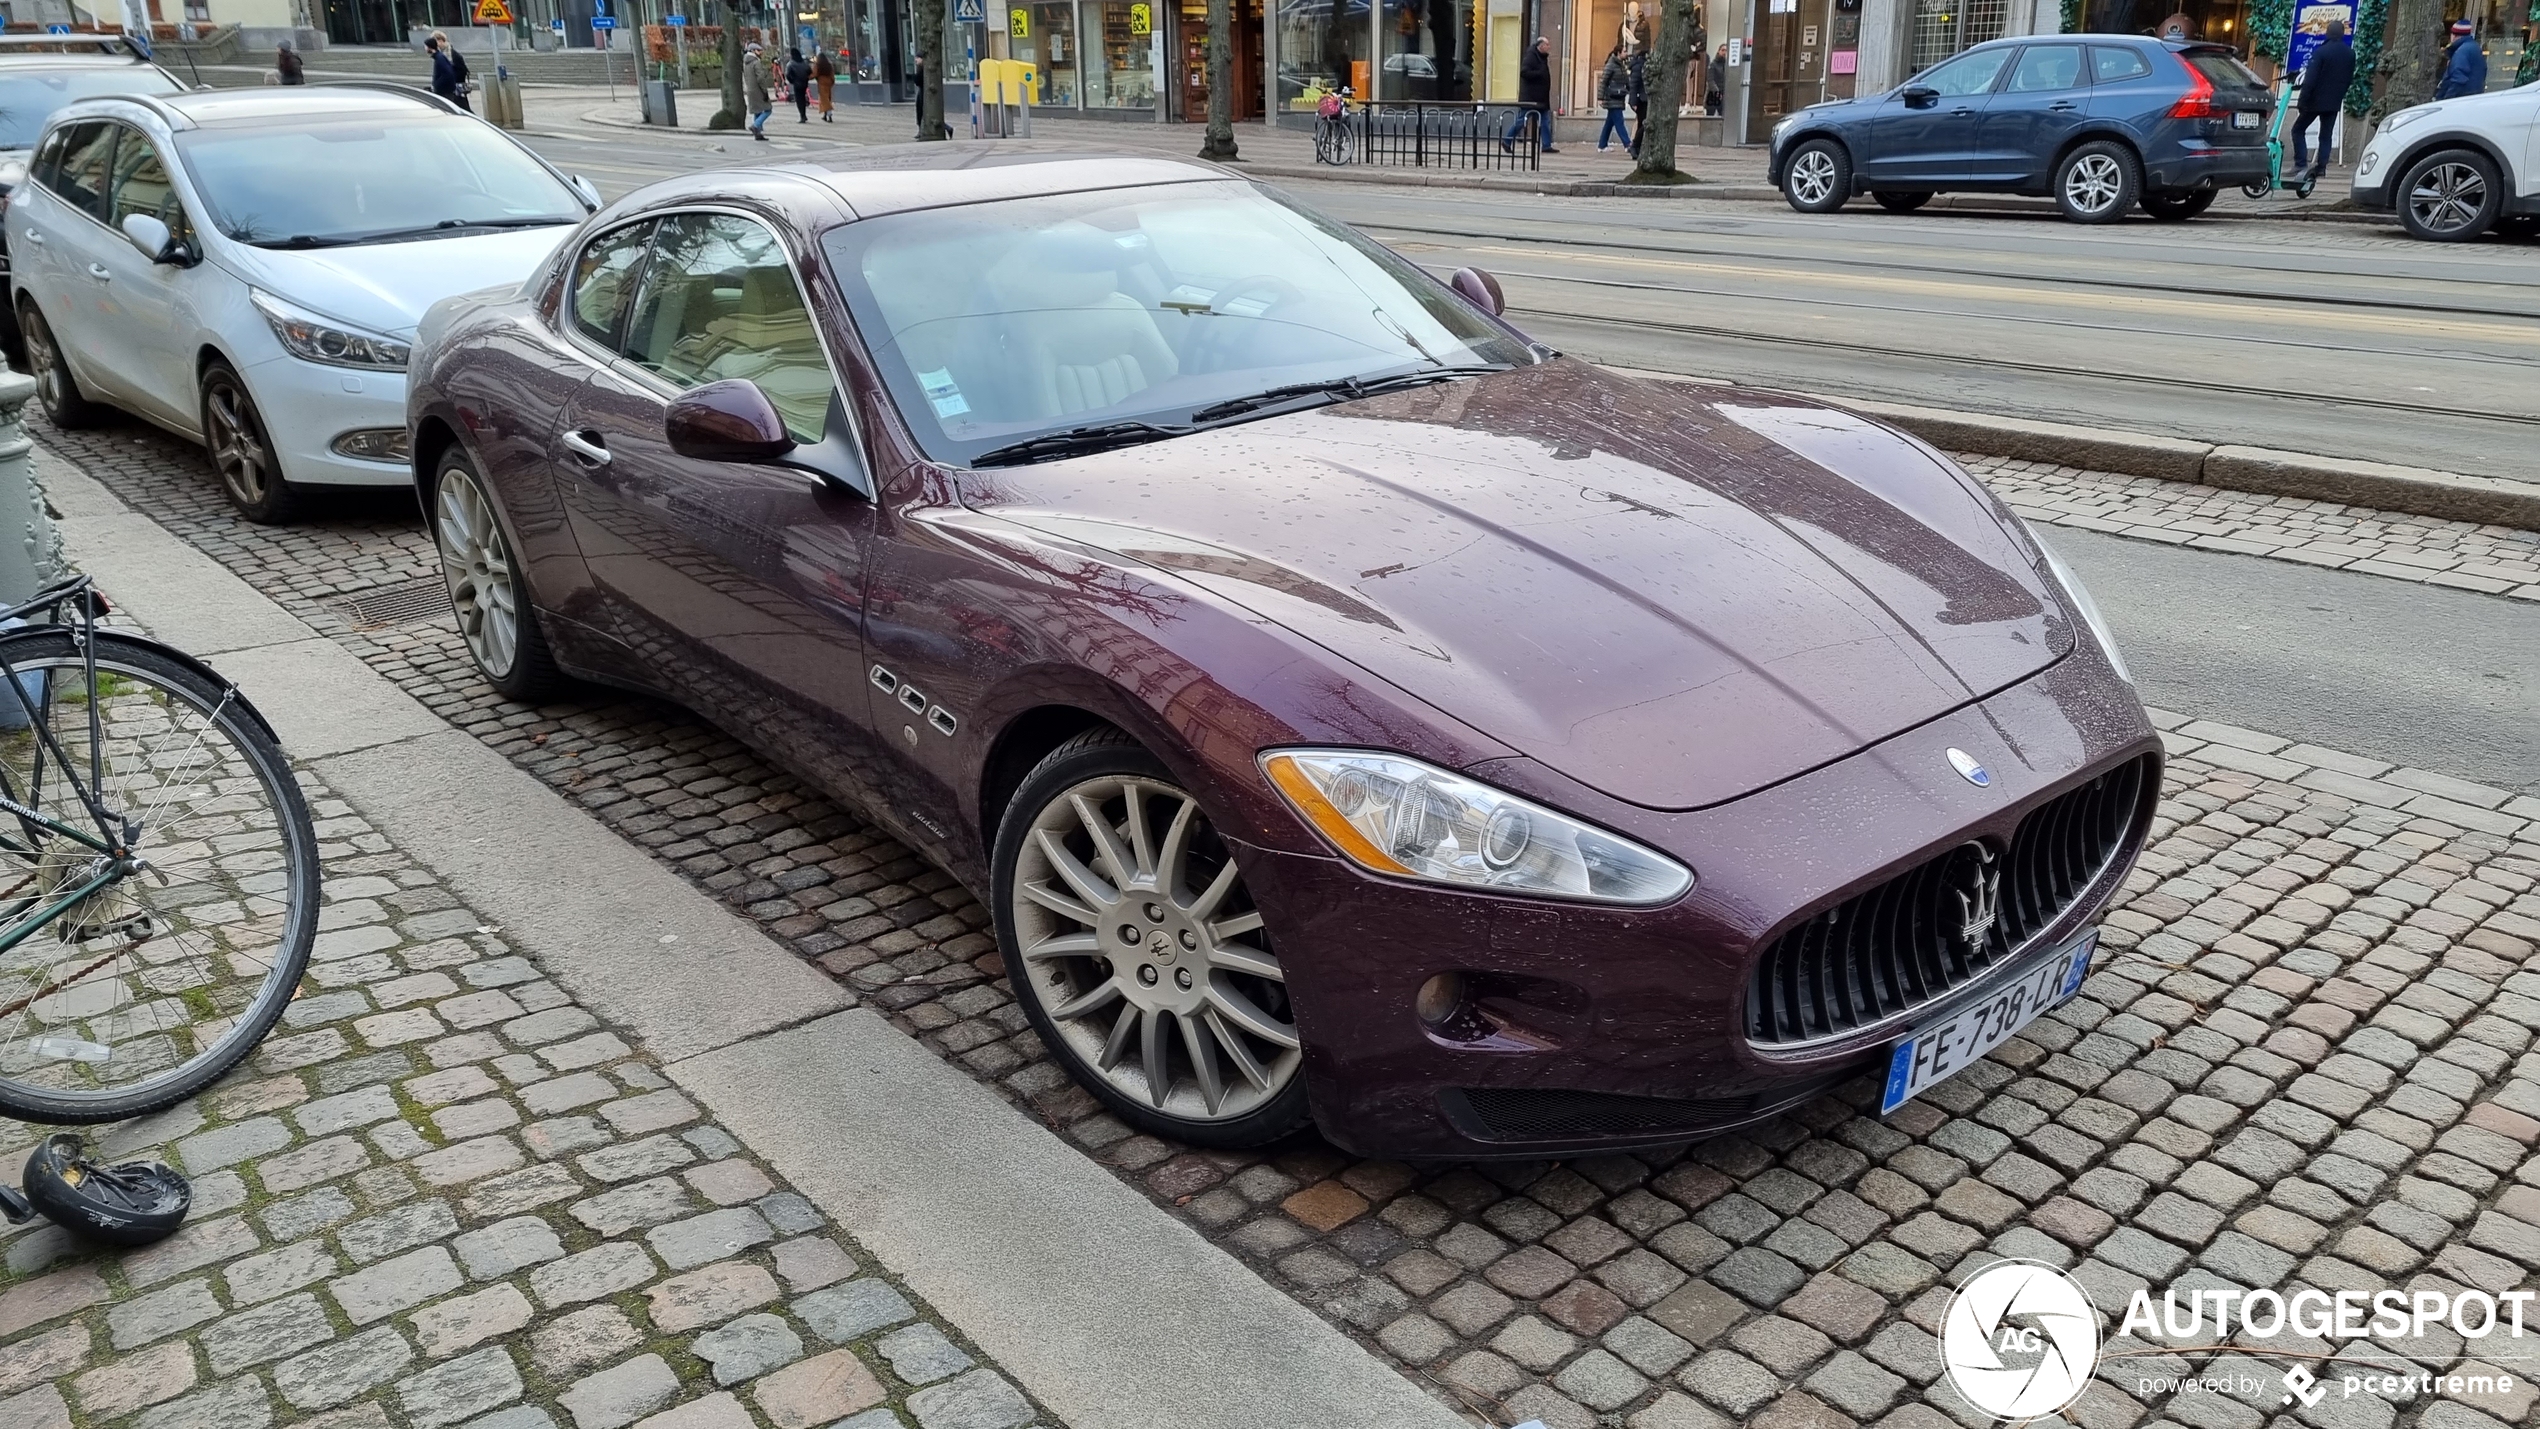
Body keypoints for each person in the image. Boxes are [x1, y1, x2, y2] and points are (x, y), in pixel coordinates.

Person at [2289, 18, 2353, 178]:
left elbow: (2310, 79)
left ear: (2328, 33)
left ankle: (2300, 164)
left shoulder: (2321, 52)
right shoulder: (2350, 53)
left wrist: (2302, 100)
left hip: (2314, 101)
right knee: (2326, 135)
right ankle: (2321, 167)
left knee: (2298, 130)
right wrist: (2339, 95)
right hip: (2333, 102)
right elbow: (2348, 79)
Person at [1501, 37, 1556, 153]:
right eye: (1547, 45)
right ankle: (1506, 141)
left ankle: (1546, 145)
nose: (1549, 47)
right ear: (1540, 46)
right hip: (1531, 98)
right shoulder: (1531, 56)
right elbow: (1524, 72)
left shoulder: (1542, 57)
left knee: (1545, 121)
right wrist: (1539, 74)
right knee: (1522, 121)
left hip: (1540, 98)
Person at [2434, 19, 2486, 98]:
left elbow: (2458, 80)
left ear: (2454, 35)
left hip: (2460, 100)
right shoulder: (2474, 47)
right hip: (2472, 98)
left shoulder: (2461, 52)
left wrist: (2447, 99)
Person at [1596, 44, 1631, 151]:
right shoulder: (1611, 65)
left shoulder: (1621, 65)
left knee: (1610, 122)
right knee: (1619, 121)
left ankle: (1602, 145)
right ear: (1618, 53)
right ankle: (1628, 144)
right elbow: (1603, 82)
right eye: (1624, 51)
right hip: (1612, 97)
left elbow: (1625, 80)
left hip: (1618, 97)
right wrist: (1600, 97)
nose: (1626, 53)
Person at [428, 32, 471, 113]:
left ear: (441, 40)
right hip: (450, 89)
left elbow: (462, 71)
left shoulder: (452, 54)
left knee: (462, 110)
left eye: (435, 41)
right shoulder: (442, 54)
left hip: (455, 89)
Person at [745, 42, 773, 140]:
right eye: (759, 50)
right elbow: (760, 78)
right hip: (758, 90)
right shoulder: (756, 62)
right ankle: (756, 126)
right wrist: (765, 91)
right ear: (753, 51)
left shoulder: (746, 63)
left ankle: (758, 134)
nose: (761, 52)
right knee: (768, 109)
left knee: (757, 111)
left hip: (750, 90)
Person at [1626, 43, 1648, 152]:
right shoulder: (1639, 67)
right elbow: (1634, 85)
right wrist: (1633, 101)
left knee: (1641, 123)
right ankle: (1635, 145)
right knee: (1644, 123)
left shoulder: (1640, 66)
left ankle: (1637, 147)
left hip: (1643, 99)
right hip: (1641, 99)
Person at [785, 46, 812, 123]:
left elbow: (787, 74)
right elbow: (809, 71)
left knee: (799, 100)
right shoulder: (804, 62)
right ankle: (804, 114)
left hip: (796, 84)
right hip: (804, 83)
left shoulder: (791, 63)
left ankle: (802, 116)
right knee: (803, 98)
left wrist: (792, 81)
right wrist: (806, 78)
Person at [814, 46, 836, 122]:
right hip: (828, 83)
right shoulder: (829, 65)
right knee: (828, 99)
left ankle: (829, 115)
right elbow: (832, 75)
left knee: (824, 100)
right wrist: (832, 82)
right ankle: (825, 115)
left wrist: (807, 77)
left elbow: (814, 74)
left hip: (822, 84)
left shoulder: (818, 65)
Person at [1704, 44, 1725, 116]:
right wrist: (1717, 92)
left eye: (1726, 50)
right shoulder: (1713, 64)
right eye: (1723, 50)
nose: (1724, 52)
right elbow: (1710, 80)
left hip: (1723, 94)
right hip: (1713, 95)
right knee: (1710, 116)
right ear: (1718, 51)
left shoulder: (1727, 65)